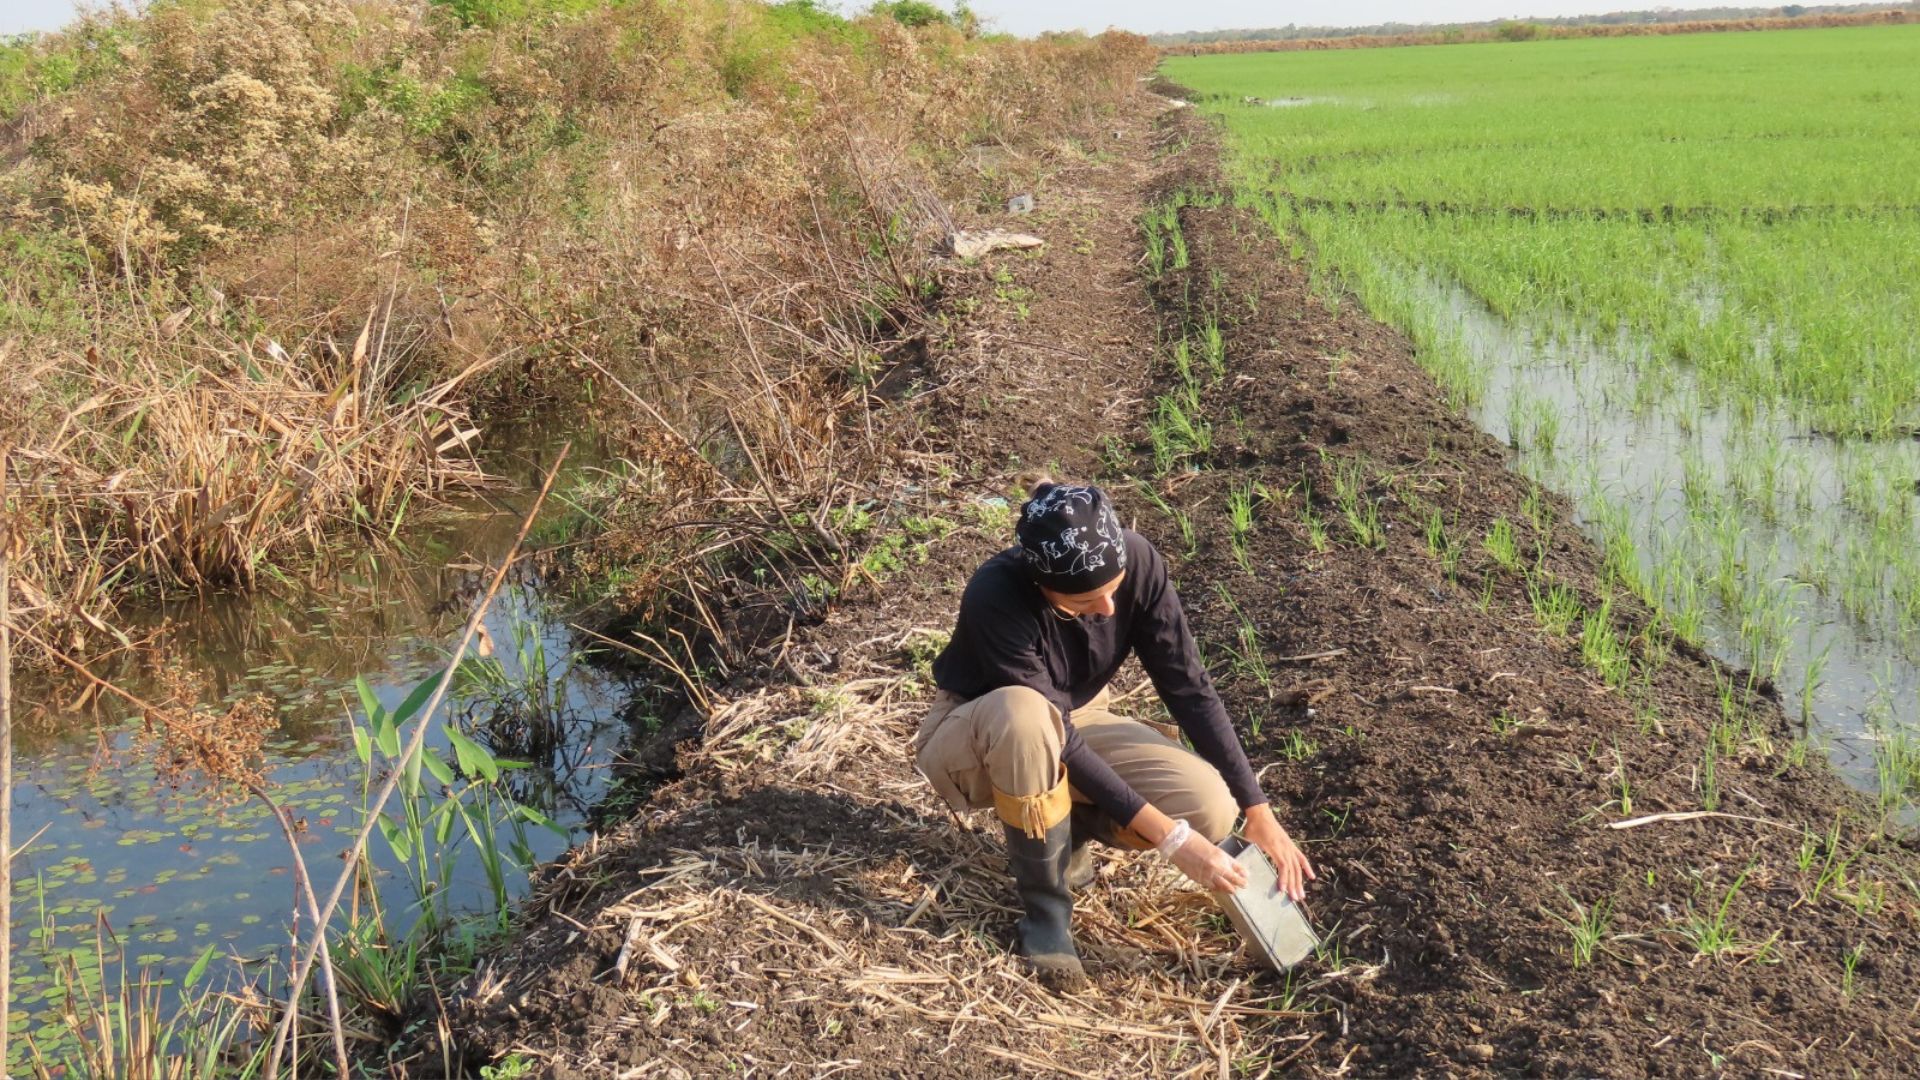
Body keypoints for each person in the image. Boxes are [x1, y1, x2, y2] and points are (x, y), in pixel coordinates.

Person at [914, 481, 1314, 990]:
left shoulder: (1141, 562)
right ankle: (1046, 913)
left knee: (1211, 805)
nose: (1107, 609)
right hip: (979, 731)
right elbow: (1053, 733)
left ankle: (1073, 827)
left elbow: (1188, 686)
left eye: (1114, 587)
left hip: (1075, 718)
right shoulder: (996, 595)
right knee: (1028, 714)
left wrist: (1258, 809)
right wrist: (1171, 841)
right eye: (1085, 598)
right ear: (1041, 584)